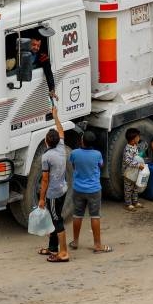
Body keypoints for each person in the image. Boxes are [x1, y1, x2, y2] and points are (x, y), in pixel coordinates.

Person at [69, 130, 111, 253]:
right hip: (94, 189)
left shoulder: (74, 153)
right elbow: (100, 165)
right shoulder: (97, 154)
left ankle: (75, 242)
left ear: (82, 141)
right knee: (95, 216)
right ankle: (97, 245)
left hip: (78, 188)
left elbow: (73, 165)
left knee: (77, 215)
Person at [37, 106, 70, 262]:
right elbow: (61, 130)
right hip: (63, 189)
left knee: (57, 221)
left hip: (53, 193)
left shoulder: (47, 157)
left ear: (46, 141)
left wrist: (42, 198)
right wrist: (55, 116)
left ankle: (63, 253)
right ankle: (52, 248)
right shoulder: (61, 147)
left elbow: (45, 180)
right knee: (53, 218)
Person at [121, 127, 146, 212]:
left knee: (135, 187)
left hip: (134, 172)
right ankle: (128, 204)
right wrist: (138, 165)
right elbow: (128, 161)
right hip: (128, 173)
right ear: (133, 139)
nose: (139, 138)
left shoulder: (135, 146)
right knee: (128, 189)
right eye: (138, 137)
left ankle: (135, 202)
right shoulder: (127, 149)